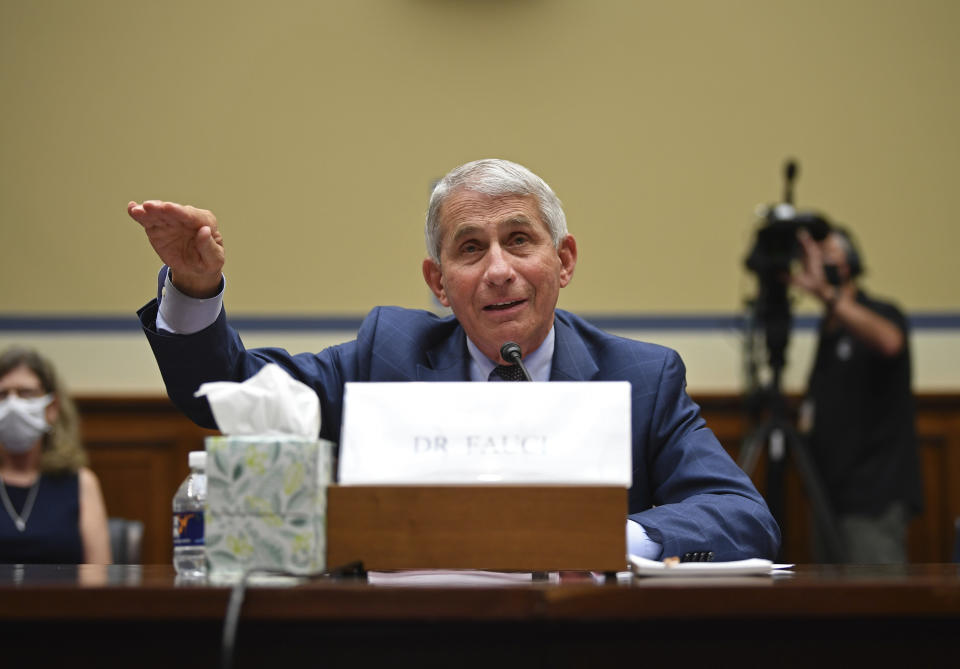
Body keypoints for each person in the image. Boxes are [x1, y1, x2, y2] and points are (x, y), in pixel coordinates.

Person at [129, 158, 781, 561]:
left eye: (520, 240)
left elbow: (741, 514)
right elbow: (230, 393)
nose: (499, 269)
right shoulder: (387, 354)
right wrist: (194, 290)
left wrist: (606, 538)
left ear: (564, 261)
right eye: (471, 248)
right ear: (438, 283)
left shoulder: (639, 376)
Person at [792, 227, 923, 563]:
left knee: (876, 604)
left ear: (846, 263)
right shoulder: (829, 331)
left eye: (825, 256)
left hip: (874, 498)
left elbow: (890, 342)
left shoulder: (880, 312)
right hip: (829, 496)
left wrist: (829, 296)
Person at [0, 347, 111, 564]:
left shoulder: (81, 483)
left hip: (66, 598)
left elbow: (99, 576)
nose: (13, 405)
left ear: (51, 408)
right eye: (3, 395)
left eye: (25, 393)